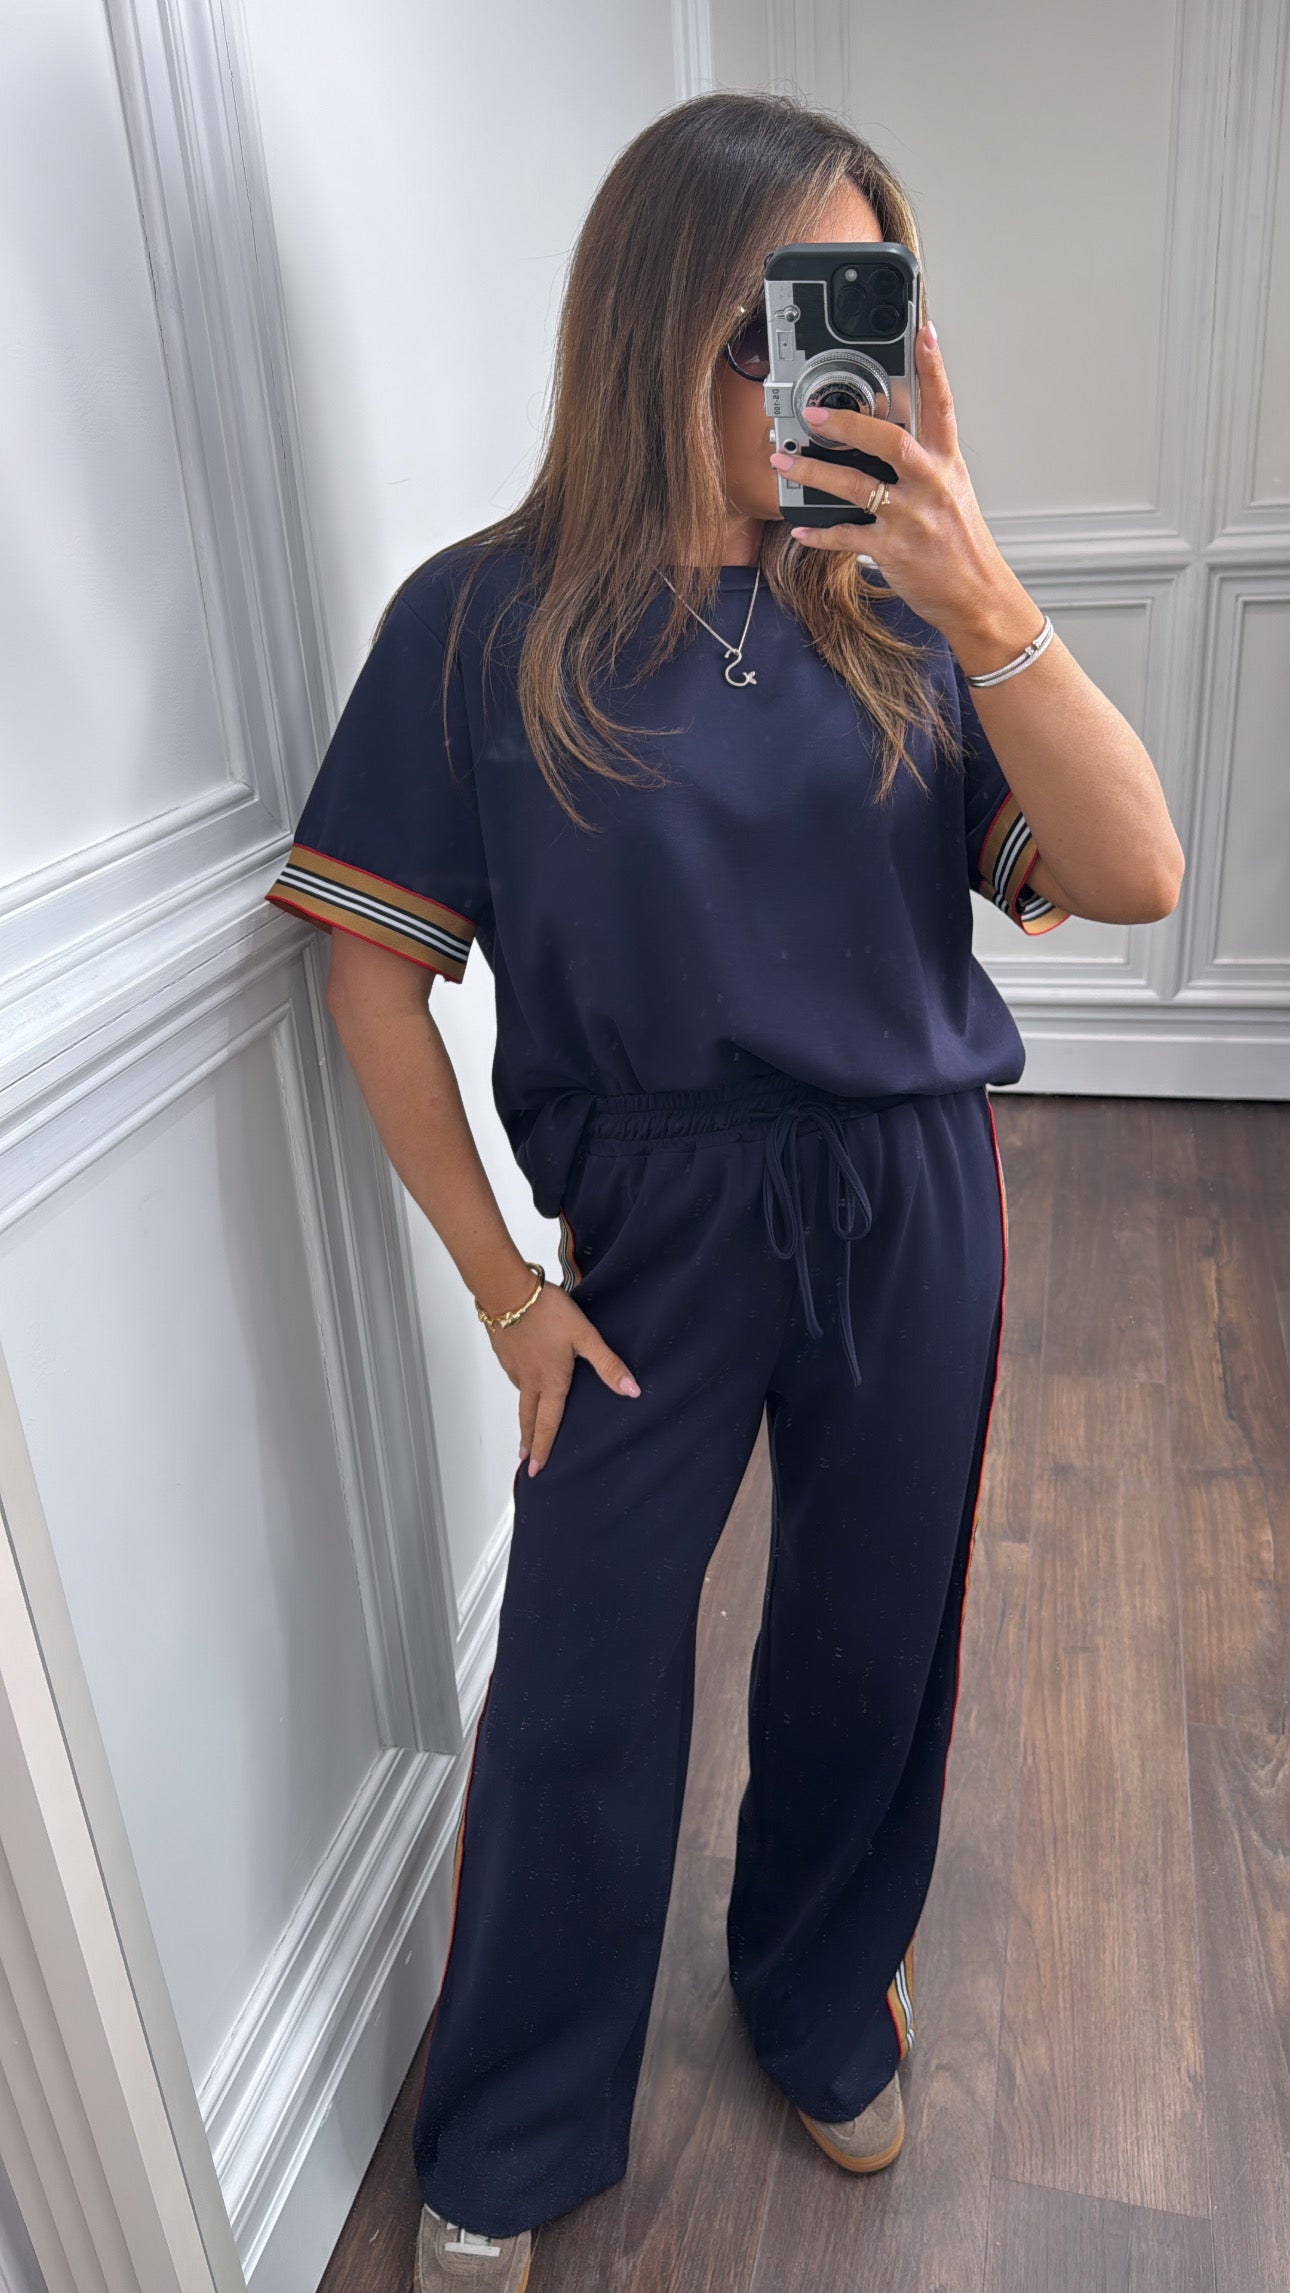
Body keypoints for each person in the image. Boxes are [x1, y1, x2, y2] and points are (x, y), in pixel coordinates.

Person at [263, 90, 1184, 2293]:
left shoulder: (902, 614)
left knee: (873, 1633)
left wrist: (985, 591)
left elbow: (1137, 872)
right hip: (651, 1220)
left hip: (911, 1190)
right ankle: (515, 2112)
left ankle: (818, 1995)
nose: (809, 376)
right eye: (766, 322)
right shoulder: (479, 622)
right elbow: (370, 973)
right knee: (579, 1669)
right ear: (656, 317)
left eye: (847, 311)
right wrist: (502, 1292)